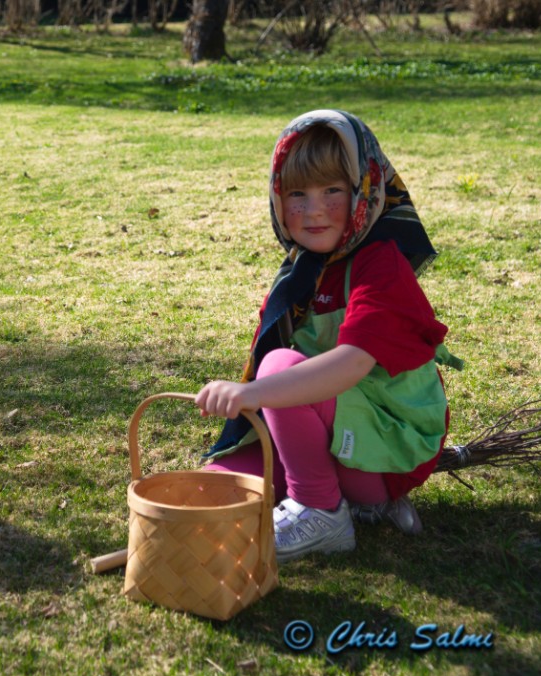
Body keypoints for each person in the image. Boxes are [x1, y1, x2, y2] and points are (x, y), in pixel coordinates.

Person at [196, 109, 461, 564]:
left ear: (365, 190)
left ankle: (322, 510)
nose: (314, 210)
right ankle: (335, 496)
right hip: (333, 431)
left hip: (384, 447)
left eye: (333, 191)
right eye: (297, 193)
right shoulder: (301, 274)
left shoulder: (382, 267)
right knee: (217, 486)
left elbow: (349, 365)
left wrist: (252, 391)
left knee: (277, 367)